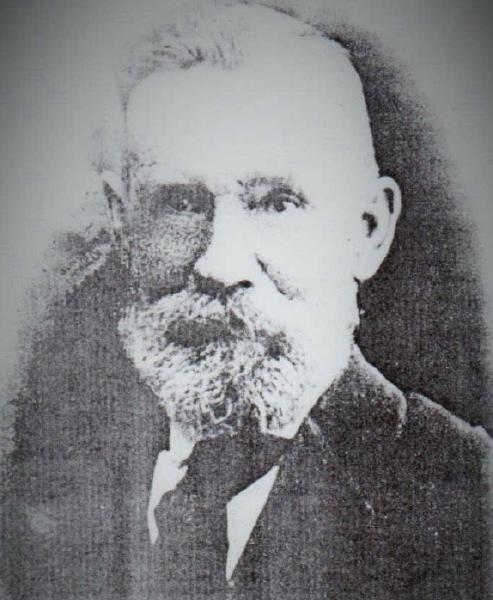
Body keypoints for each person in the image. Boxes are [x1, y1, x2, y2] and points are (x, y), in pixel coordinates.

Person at [2, 3, 491, 599]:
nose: (219, 264)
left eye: (277, 202)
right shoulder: (37, 486)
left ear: (368, 230)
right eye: (181, 203)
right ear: (121, 223)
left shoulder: (469, 503)